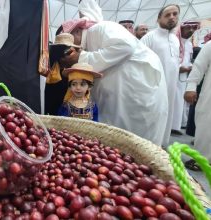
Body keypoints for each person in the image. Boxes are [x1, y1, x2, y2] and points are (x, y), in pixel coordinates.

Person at [59, 17, 169, 146]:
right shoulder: (87, 43)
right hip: (119, 100)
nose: (68, 47)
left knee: (137, 145)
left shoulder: (100, 28)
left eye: (68, 40)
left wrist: (82, 57)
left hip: (137, 94)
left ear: (77, 31)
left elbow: (126, 46)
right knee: (116, 144)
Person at [0, 0, 44, 113]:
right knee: (23, 119)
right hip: (24, 67)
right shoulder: (40, 4)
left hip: (14, 63)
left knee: (7, 117)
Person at [141, 4, 180, 146]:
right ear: (158, 19)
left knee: (167, 115)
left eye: (175, 14)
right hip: (153, 87)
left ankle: (162, 144)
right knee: (152, 117)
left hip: (171, 87)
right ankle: (148, 147)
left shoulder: (175, 40)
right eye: (167, 15)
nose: (172, 17)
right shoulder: (149, 38)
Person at [183, 39, 211, 171]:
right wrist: (191, 87)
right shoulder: (210, 45)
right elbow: (199, 67)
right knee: (206, 124)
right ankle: (202, 159)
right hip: (210, 95)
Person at [172, 21, 200, 135]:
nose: (191, 31)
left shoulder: (188, 44)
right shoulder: (174, 41)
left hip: (183, 77)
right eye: (188, 28)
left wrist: (189, 68)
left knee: (180, 101)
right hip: (172, 75)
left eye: (194, 28)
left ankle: (176, 125)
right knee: (173, 100)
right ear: (182, 29)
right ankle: (171, 126)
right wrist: (180, 68)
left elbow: (187, 60)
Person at [45, 33, 81, 115]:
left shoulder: (53, 65)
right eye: (69, 52)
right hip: (53, 105)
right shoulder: (51, 68)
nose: (71, 54)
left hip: (57, 107)